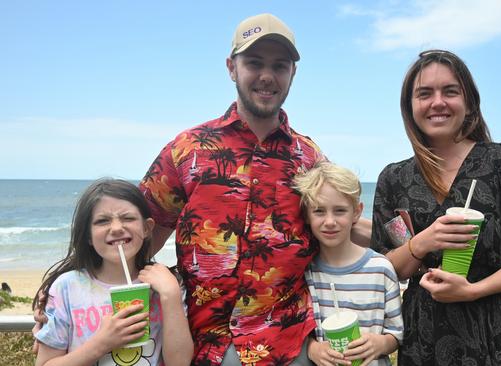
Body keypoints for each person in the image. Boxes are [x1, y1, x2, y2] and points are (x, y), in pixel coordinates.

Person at [138, 13, 370, 366]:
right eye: (254, 63)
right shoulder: (188, 149)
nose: (267, 76)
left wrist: (412, 244)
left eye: (279, 65)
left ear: (293, 74)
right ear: (232, 68)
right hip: (200, 344)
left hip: (290, 345)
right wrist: (72, 288)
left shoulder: (309, 157)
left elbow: (341, 222)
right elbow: (141, 232)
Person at [370, 49, 501, 365]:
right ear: (410, 107)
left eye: (450, 91)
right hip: (424, 338)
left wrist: (474, 290)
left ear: (469, 103)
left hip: (498, 331)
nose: (438, 102)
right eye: (424, 93)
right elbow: (390, 268)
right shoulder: (395, 179)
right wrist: (422, 242)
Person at [32, 178, 193, 366]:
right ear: (88, 237)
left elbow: (180, 362)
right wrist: (102, 343)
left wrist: (171, 295)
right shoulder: (67, 287)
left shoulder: (167, 284)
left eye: (128, 218)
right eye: (102, 221)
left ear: (147, 228)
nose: (116, 228)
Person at [294, 162, 403, 366]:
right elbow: (294, 329)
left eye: (340, 211)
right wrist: (312, 348)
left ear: (357, 212)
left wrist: (380, 344)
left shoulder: (381, 269)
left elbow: (395, 334)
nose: (329, 221)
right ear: (306, 215)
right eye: (319, 211)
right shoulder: (304, 271)